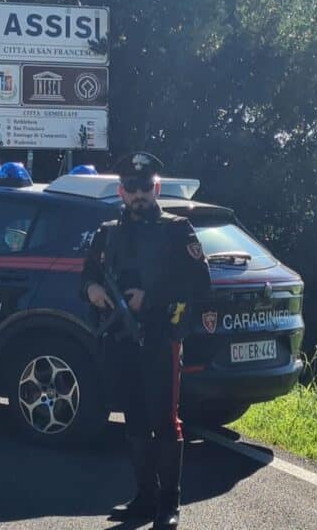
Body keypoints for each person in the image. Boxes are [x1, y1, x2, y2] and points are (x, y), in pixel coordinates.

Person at [80, 152, 210, 530]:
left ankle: (169, 503)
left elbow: (200, 284)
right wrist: (91, 291)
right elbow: (85, 275)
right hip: (118, 338)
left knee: (164, 421)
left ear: (156, 188)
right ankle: (144, 497)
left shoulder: (177, 229)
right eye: (131, 188)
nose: (138, 194)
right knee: (134, 419)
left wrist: (149, 298)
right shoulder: (107, 232)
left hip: (160, 336)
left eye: (145, 187)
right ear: (121, 191)